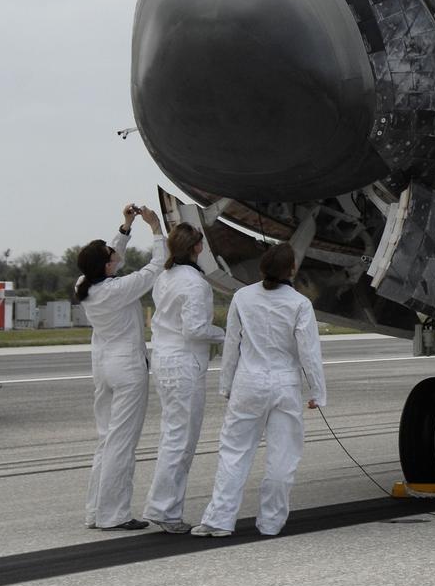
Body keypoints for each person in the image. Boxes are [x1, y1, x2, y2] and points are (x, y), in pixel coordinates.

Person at [192, 244, 326, 537]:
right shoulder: (300, 304)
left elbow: (232, 345)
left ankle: (218, 521)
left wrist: (225, 385)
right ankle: (270, 523)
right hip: (285, 385)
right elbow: (309, 352)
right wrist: (317, 391)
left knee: (234, 453)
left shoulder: (243, 297)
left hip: (247, 383)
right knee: (283, 457)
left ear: (262, 269)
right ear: (292, 270)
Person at [77, 203, 165, 531]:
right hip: (127, 370)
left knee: (106, 440)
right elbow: (156, 266)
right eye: (111, 255)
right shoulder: (117, 290)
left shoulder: (84, 284)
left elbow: (114, 258)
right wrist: (156, 228)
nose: (116, 256)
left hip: (103, 367)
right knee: (122, 443)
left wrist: (126, 227)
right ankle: (115, 514)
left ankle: (95, 511)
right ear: (107, 266)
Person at [142, 223, 225, 534]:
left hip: (164, 360)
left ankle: (163, 506)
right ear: (197, 248)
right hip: (183, 364)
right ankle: (166, 510)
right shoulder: (195, 284)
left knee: (172, 435)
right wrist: (227, 336)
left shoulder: (165, 277)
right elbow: (196, 330)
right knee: (181, 440)